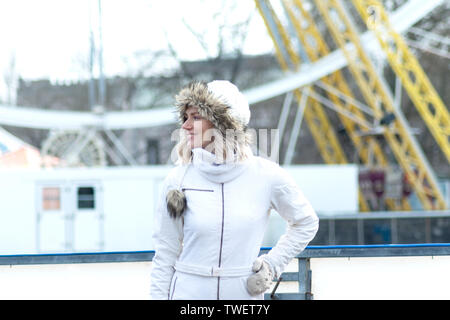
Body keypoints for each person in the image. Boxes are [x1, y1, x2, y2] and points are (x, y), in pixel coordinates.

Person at [150, 80, 319, 300]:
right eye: (185, 117)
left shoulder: (266, 176)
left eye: (196, 117)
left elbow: (306, 222)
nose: (185, 125)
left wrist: (272, 264)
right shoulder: (177, 180)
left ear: (222, 124)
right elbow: (164, 255)